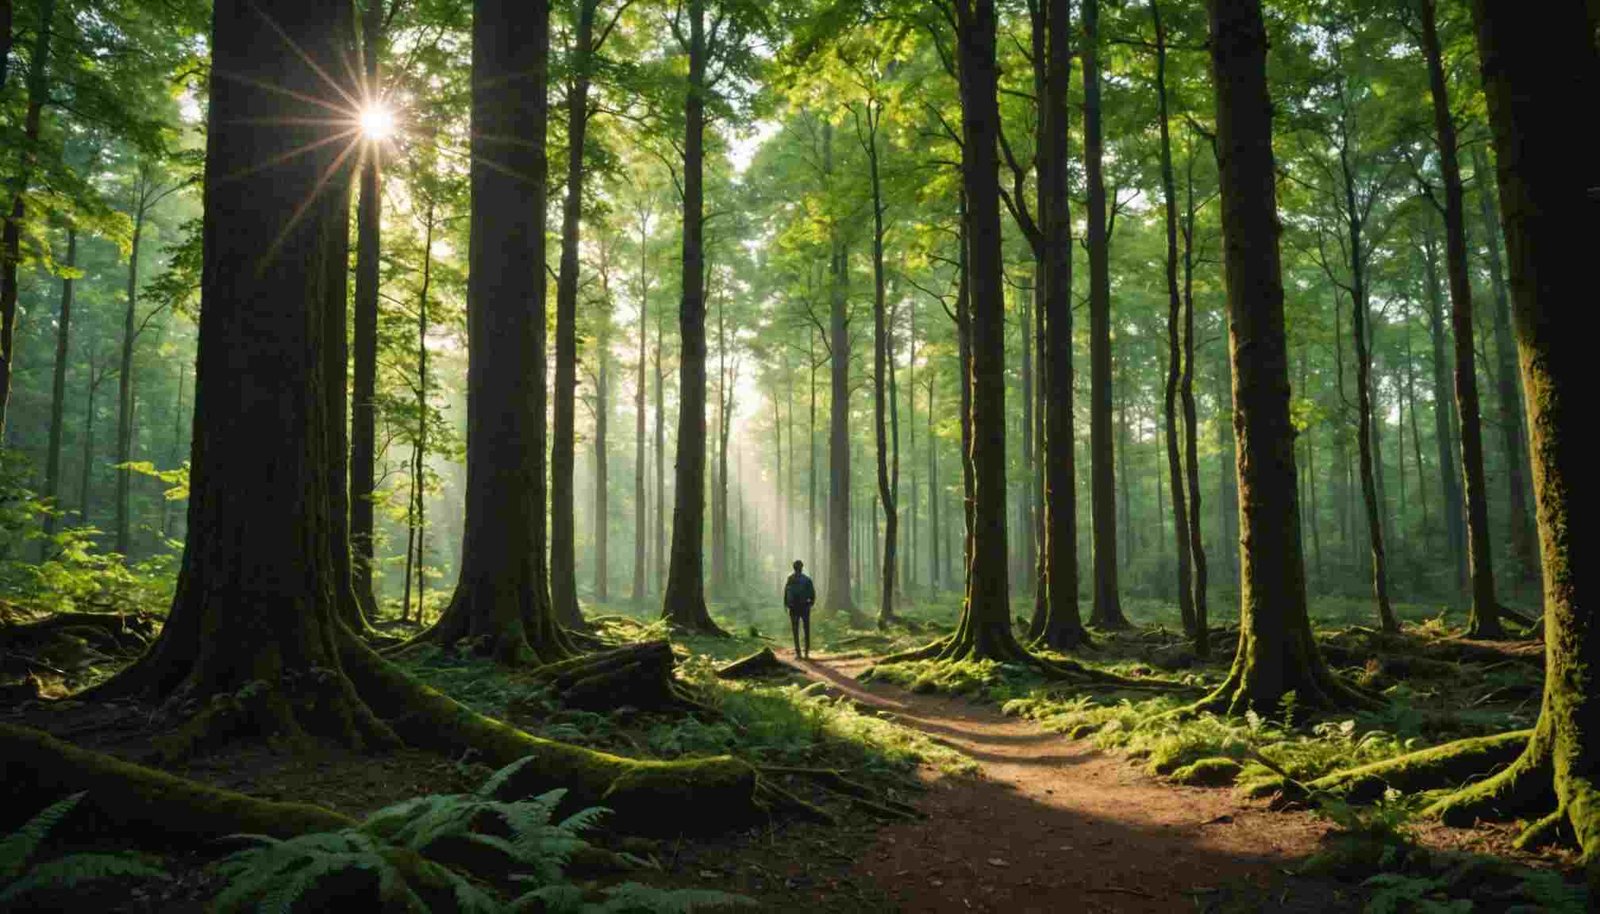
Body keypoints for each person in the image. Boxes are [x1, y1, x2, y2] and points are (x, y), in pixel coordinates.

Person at [783, 560, 815, 659]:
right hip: (804, 607)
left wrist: (786, 604)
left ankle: (798, 653)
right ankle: (806, 653)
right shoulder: (807, 579)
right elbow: (812, 594)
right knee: (806, 629)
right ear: (802, 567)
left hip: (794, 608)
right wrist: (810, 604)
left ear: (794, 568)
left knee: (795, 630)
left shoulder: (790, 579)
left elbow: (786, 593)